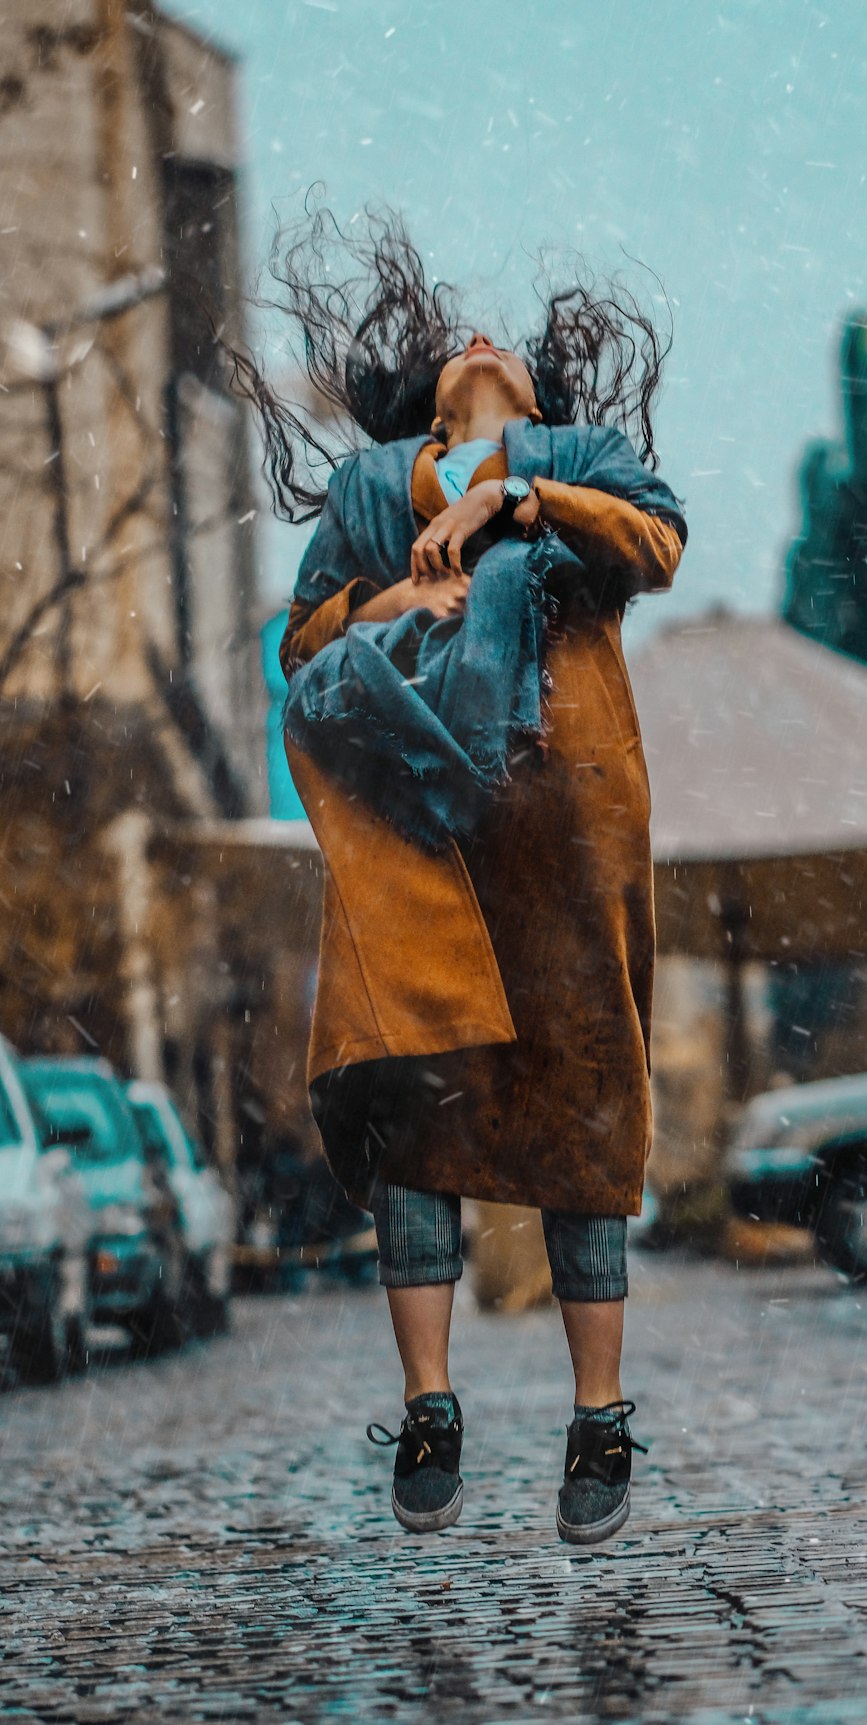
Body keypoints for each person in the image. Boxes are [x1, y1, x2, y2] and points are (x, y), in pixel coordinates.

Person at [236, 210, 687, 1544]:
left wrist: (519, 497)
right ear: (426, 389)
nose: (482, 339)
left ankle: (597, 1418)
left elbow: (655, 542)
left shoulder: (585, 464)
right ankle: (430, 1404)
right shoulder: (376, 489)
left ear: (540, 394)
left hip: (563, 824)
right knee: (417, 1108)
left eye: (506, 346)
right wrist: (390, 606)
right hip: (418, 832)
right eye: (461, 342)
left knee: (583, 1111)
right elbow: (303, 636)